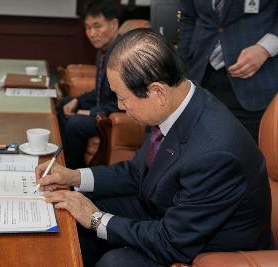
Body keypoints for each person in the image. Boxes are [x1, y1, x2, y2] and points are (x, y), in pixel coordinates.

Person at [36, 29, 272, 267]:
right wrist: (73, 176)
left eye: (122, 97)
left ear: (157, 91)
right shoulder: (172, 103)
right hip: (167, 209)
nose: (119, 106)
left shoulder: (215, 153)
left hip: (212, 248)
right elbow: (137, 171)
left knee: (115, 261)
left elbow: (172, 240)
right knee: (72, 210)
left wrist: (96, 219)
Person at [178, 0, 278, 142]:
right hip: (200, 77)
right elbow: (188, 18)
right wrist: (182, 65)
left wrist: (266, 48)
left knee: (249, 155)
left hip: (255, 83)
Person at [57, 0, 121, 169]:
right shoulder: (103, 51)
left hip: (114, 115)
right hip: (105, 107)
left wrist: (93, 112)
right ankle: (65, 159)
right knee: (64, 103)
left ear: (114, 24)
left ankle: (73, 173)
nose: (92, 33)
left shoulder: (123, 55)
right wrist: (78, 101)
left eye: (97, 26)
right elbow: (101, 91)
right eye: (87, 27)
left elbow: (127, 102)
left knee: (75, 123)